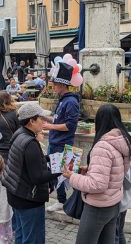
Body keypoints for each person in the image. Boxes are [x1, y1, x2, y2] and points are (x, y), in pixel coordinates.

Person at [62, 104, 131, 244]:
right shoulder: (122, 140)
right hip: (113, 203)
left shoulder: (102, 146)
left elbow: (97, 185)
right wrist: (91, 169)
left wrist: (72, 176)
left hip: (98, 206)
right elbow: (117, 171)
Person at [2, 103, 60, 244]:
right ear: (31, 121)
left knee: (21, 235)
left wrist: (51, 158)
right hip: (29, 199)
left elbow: (28, 161)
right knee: (33, 239)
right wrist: (61, 169)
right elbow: (38, 177)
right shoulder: (31, 143)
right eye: (41, 118)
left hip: (16, 194)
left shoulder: (19, 133)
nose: (44, 121)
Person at [43, 63, 80, 211]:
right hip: (56, 142)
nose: (53, 87)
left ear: (61, 85)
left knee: (63, 174)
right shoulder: (64, 99)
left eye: (55, 84)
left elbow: (70, 126)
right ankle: (62, 199)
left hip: (62, 143)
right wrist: (45, 119)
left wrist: (49, 126)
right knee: (57, 173)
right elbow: (59, 121)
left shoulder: (71, 101)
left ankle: (63, 200)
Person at [116, 163, 131, 244]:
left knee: (115, 234)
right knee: (119, 232)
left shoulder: (118, 160)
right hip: (123, 203)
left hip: (114, 204)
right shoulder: (127, 162)